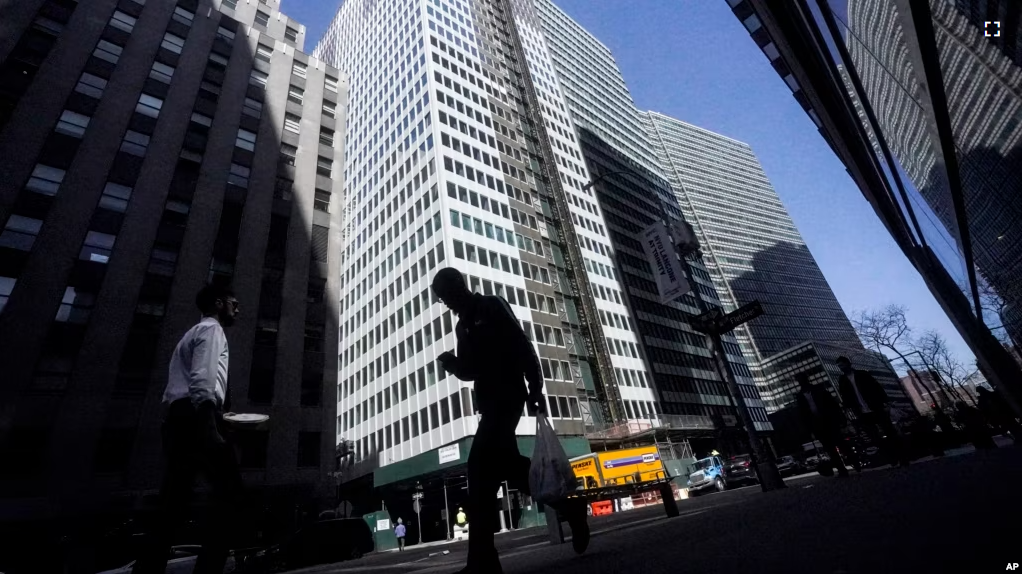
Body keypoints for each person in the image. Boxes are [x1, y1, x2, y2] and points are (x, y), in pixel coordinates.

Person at [431, 268, 589, 574]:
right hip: (490, 406)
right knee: (507, 469)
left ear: (459, 286)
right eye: (443, 299)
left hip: (509, 397)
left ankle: (482, 563)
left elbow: (521, 344)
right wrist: (453, 364)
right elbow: (471, 371)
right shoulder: (462, 327)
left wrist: (536, 387)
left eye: (448, 295)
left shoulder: (491, 306)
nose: (447, 303)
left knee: (478, 470)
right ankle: (569, 508)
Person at [133, 285, 242, 574]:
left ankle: (146, 568)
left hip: (179, 418)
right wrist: (209, 417)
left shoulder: (188, 334)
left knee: (172, 505)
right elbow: (203, 374)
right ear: (219, 303)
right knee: (231, 496)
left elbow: (182, 384)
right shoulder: (211, 330)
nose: (237, 308)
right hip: (198, 417)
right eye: (233, 302)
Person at [836, 356, 910, 466]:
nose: (841, 368)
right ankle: (892, 459)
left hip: (875, 407)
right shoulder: (842, 380)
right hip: (862, 411)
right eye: (839, 366)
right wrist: (848, 408)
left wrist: (884, 402)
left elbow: (877, 387)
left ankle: (902, 457)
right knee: (875, 437)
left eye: (842, 365)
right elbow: (844, 395)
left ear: (848, 363)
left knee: (889, 432)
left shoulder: (863, 374)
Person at [794, 373, 848, 477]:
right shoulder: (800, 396)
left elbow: (832, 404)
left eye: (802, 379)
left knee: (840, 443)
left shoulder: (818, 389)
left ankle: (850, 461)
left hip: (829, 421)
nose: (801, 382)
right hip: (817, 425)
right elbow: (803, 414)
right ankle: (842, 469)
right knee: (830, 448)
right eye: (799, 380)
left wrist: (840, 418)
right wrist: (809, 429)